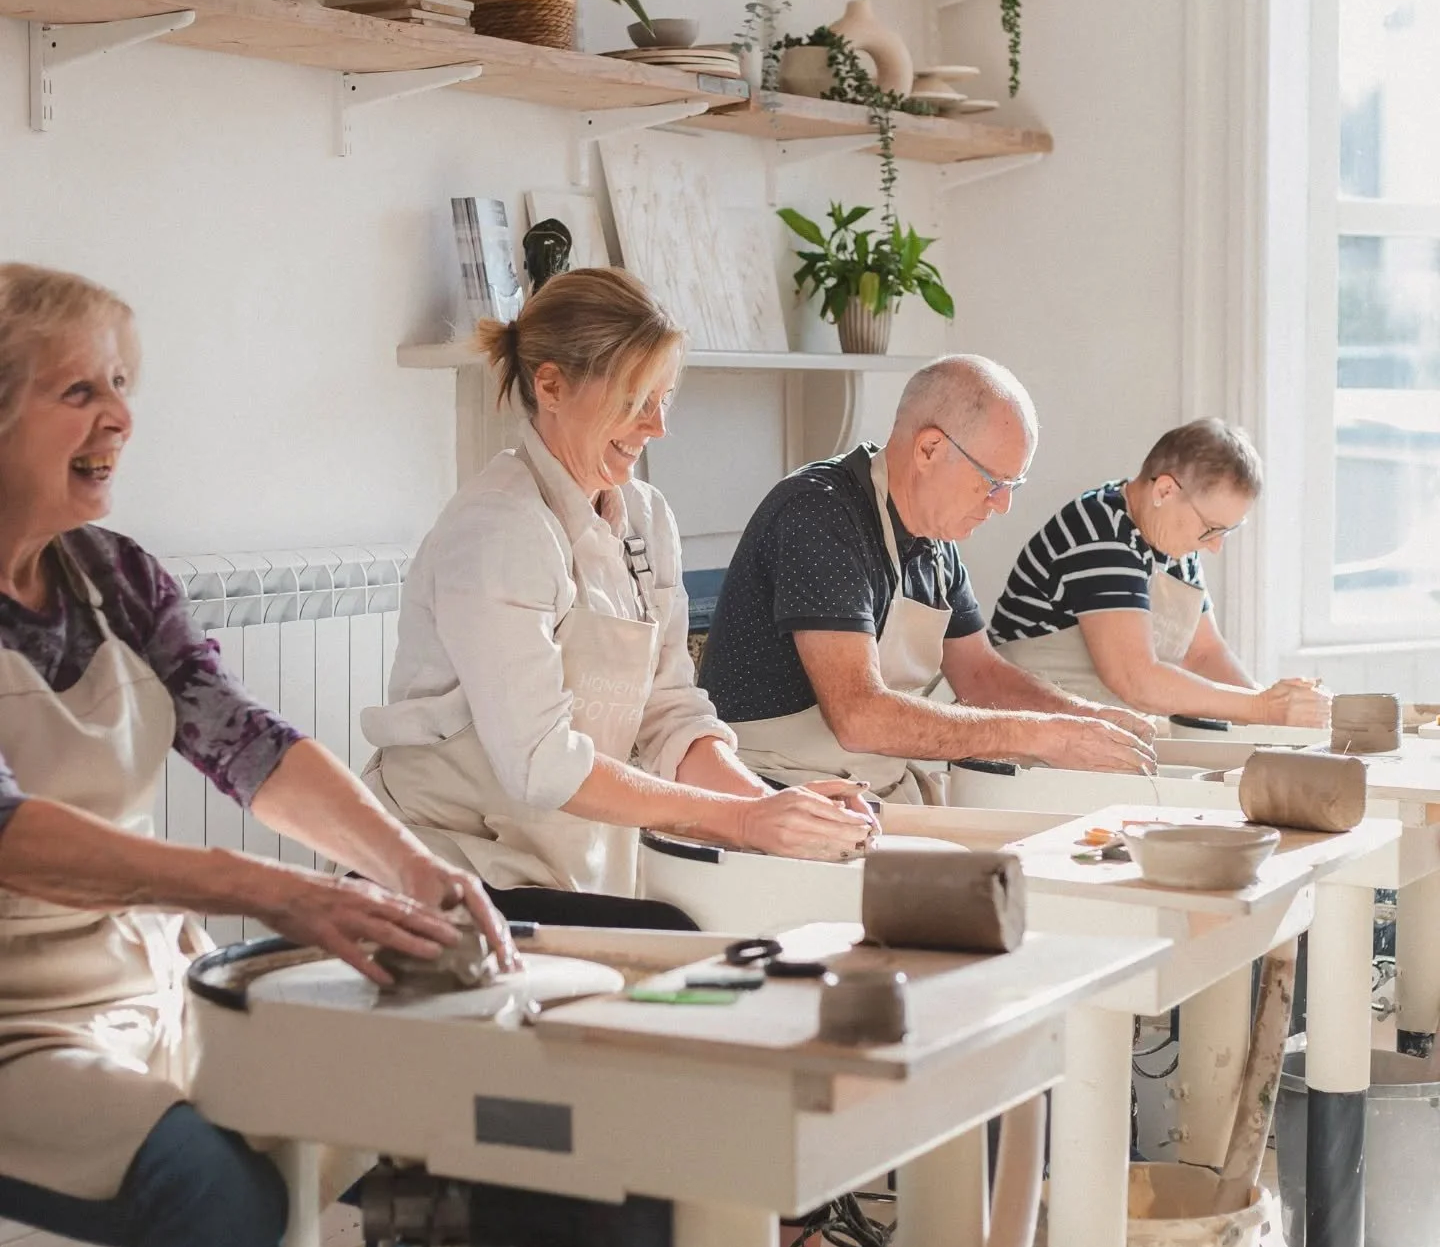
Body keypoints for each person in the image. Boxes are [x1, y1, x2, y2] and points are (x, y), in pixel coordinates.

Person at [0, 264, 516, 1247]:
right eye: (79, 393)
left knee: (412, 1109)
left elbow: (246, 742)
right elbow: (10, 835)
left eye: (121, 388)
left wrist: (410, 868)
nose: (120, 420)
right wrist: (276, 894)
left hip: (140, 990)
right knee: (217, 1191)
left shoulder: (114, 577)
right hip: (16, 1034)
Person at [361, 267, 875, 927]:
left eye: (666, 399)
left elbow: (669, 715)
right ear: (550, 385)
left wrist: (779, 810)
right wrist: (746, 821)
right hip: (446, 876)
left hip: (560, 870)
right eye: (636, 401)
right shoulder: (498, 528)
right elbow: (543, 767)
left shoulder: (645, 518)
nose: (658, 426)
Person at [698, 355, 1157, 804]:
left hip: (873, 790)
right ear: (929, 449)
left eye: (1013, 486)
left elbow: (980, 675)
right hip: (772, 794)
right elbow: (859, 716)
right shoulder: (820, 514)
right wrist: (1040, 735)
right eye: (994, 482)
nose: (1002, 505)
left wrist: (1084, 717)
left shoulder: (936, 544)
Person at [989, 418, 1330, 725]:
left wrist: (1273, 710)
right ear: (1165, 490)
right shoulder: (1099, 533)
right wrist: (1262, 707)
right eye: (1211, 528)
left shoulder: (1173, 541)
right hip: (1026, 742)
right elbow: (1136, 680)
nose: (1214, 546)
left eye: (1226, 531)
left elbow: (1205, 654)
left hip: (1091, 739)